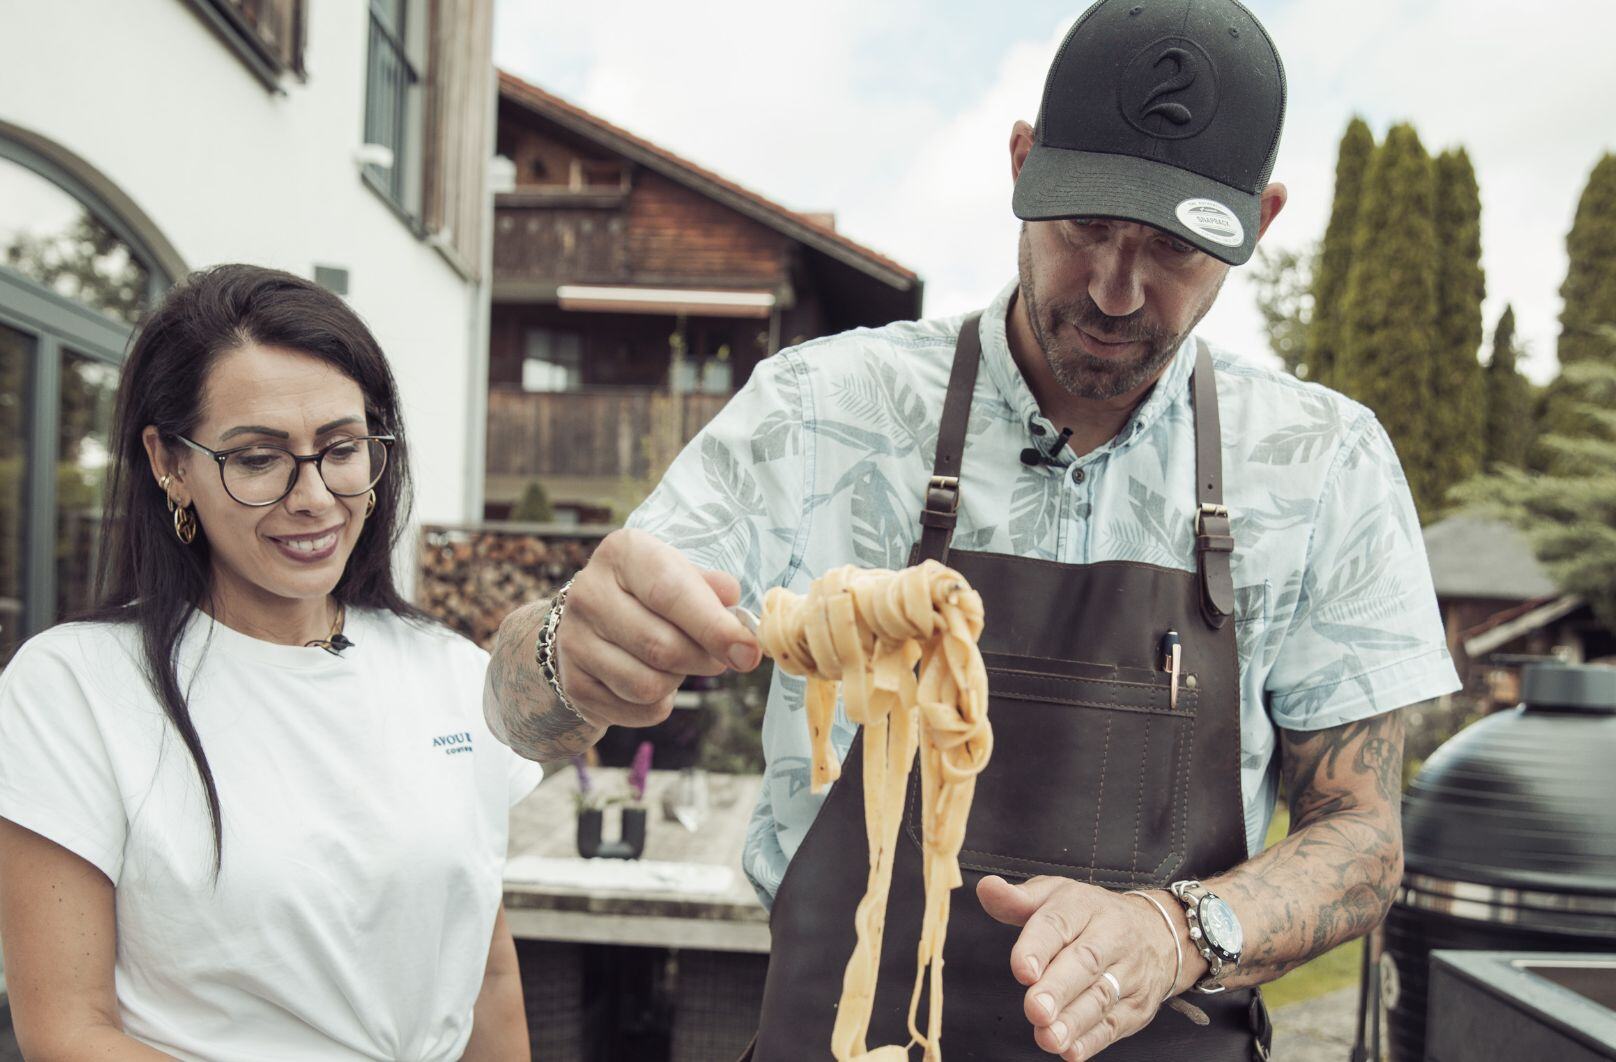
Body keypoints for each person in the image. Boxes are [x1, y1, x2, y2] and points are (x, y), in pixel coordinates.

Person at [482, 0, 1459, 1057]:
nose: (1114, 289)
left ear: (1257, 222)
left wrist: (1173, 931)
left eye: (1173, 248)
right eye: (1083, 225)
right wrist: (564, 656)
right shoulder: (821, 410)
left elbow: (1359, 842)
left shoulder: (1320, 463)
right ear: (1019, 166)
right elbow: (521, 717)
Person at [0, 265, 541, 1061]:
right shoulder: (76, 688)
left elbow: (486, 975)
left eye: (341, 449)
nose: (315, 496)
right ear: (169, 463)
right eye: (258, 459)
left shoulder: (451, 674)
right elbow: (66, 1033)